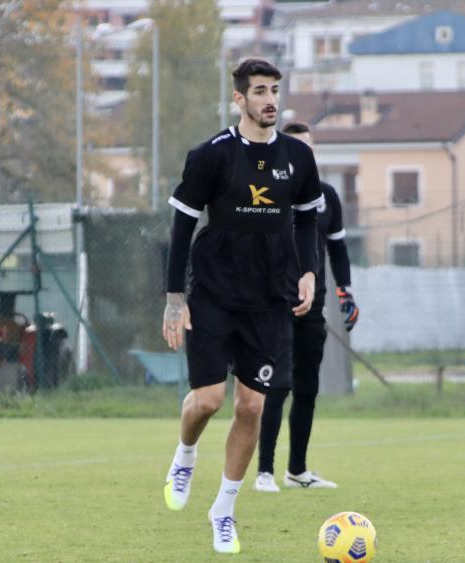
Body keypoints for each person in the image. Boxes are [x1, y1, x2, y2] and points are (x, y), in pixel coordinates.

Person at [161, 58, 323, 555]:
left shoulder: (298, 156)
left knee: (251, 405)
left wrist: (311, 271)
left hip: (269, 300)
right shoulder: (211, 155)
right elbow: (183, 227)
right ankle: (185, 454)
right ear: (239, 99)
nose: (269, 99)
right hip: (213, 292)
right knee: (208, 401)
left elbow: (307, 221)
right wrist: (173, 298)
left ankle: (223, 511)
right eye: (258, 91)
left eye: (274, 90)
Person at [255, 121, 359, 493]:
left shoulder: (327, 196)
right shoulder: (267, 194)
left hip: (312, 305)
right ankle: (264, 471)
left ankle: (297, 470)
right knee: (277, 385)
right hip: (275, 304)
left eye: (309, 148)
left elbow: (338, 248)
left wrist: (345, 291)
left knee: (307, 387)